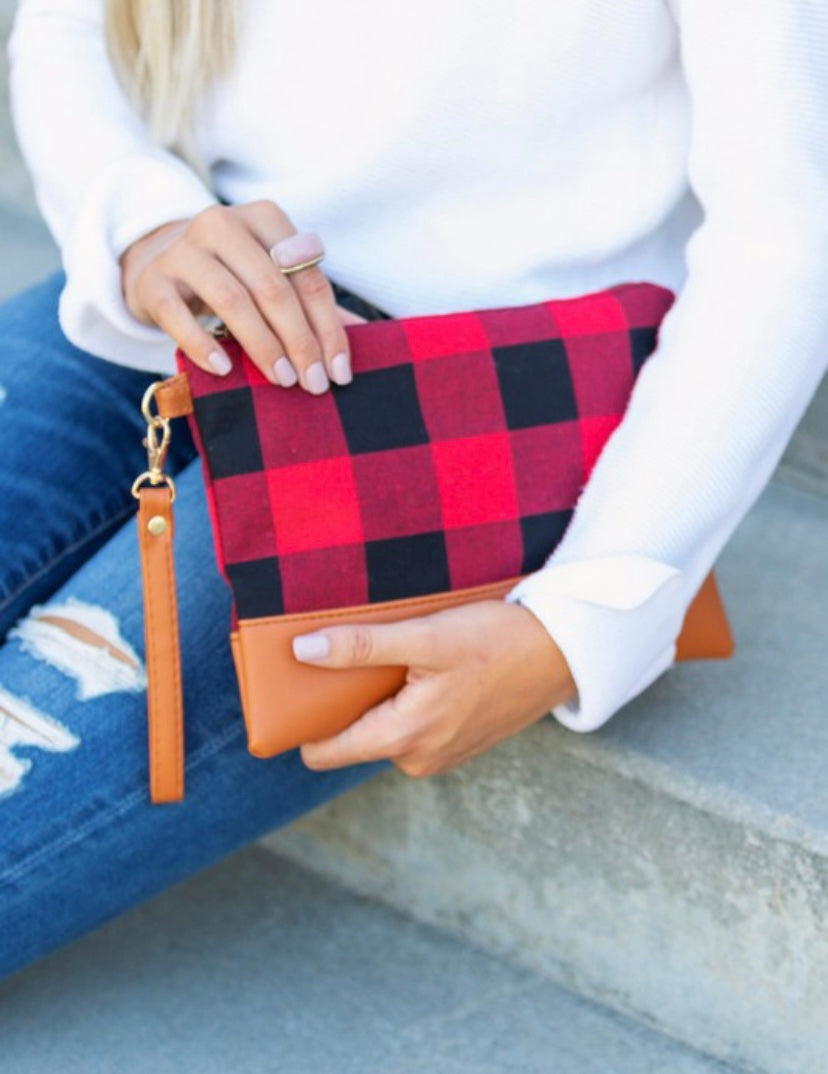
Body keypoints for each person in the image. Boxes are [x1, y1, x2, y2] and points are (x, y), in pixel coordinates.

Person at [1, 0, 825, 978]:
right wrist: (139, 219)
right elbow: (65, 29)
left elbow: (783, 230)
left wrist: (581, 620)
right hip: (186, 304)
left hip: (478, 413)